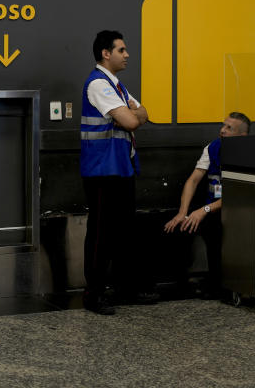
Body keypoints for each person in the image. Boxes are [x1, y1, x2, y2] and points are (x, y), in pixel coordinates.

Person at [80, 30, 157, 315]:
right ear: (105, 53)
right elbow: (132, 119)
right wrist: (131, 115)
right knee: (100, 233)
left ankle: (127, 287)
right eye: (122, 50)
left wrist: (132, 115)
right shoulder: (99, 84)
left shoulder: (117, 87)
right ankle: (94, 293)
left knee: (124, 231)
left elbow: (145, 112)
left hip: (121, 168)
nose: (127, 55)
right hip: (101, 171)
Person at [163, 111, 250, 299]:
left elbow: (237, 195)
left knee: (216, 232)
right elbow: (193, 181)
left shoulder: (247, 154)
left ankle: (219, 286)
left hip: (237, 212)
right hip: (211, 210)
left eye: (229, 128)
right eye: (223, 125)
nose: (222, 130)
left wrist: (204, 210)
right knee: (180, 226)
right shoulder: (213, 147)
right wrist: (183, 212)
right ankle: (182, 285)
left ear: (242, 136)